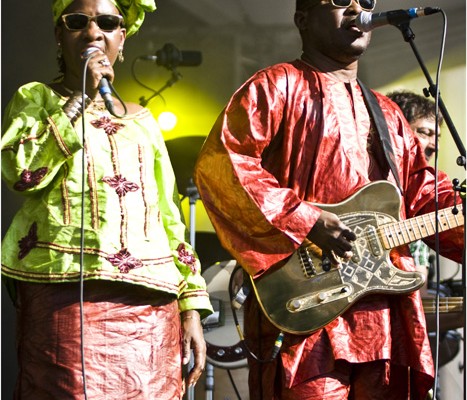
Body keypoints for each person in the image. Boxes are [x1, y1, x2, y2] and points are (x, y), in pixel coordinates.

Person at [194, 0, 464, 399]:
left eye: (367, 1)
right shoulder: (276, 86)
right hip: (306, 307)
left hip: (383, 317)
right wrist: (306, 220)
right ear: (303, 19)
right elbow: (224, 166)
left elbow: (424, 195)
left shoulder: (388, 113)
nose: (357, 8)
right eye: (340, 0)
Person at [1, 0, 212, 398]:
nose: (93, 32)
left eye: (107, 22)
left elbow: (168, 216)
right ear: (59, 36)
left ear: (122, 38)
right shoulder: (36, 100)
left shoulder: (143, 122)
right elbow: (22, 172)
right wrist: (77, 100)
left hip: (152, 306)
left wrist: (190, 307)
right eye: (78, 21)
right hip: (69, 295)